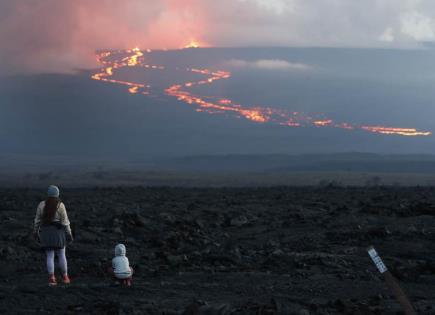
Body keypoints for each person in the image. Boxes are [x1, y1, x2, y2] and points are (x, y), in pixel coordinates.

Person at [33, 185, 73, 286]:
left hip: (46, 233)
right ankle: (65, 277)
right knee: (62, 255)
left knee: (50, 256)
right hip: (58, 233)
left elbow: (37, 221)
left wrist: (35, 232)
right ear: (57, 194)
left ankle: (52, 278)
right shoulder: (60, 205)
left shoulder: (41, 205)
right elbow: (65, 222)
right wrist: (69, 234)